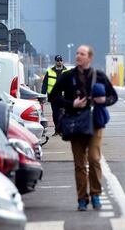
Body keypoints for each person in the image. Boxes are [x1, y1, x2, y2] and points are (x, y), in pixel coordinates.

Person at [49, 45, 117, 211]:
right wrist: (71, 103)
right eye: (77, 53)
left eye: (82, 54)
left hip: (95, 123)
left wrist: (103, 101)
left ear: (90, 58)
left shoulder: (98, 75)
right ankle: (82, 198)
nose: (78, 56)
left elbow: (113, 96)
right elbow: (53, 96)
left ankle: (95, 194)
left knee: (94, 159)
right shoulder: (68, 76)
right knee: (79, 163)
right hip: (75, 122)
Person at [41, 55, 69, 135]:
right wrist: (42, 95)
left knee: (62, 113)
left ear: (62, 61)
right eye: (57, 60)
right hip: (53, 96)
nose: (59, 61)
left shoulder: (66, 71)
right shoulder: (49, 71)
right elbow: (45, 84)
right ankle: (57, 130)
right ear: (55, 61)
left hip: (63, 96)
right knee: (55, 113)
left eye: (60, 60)